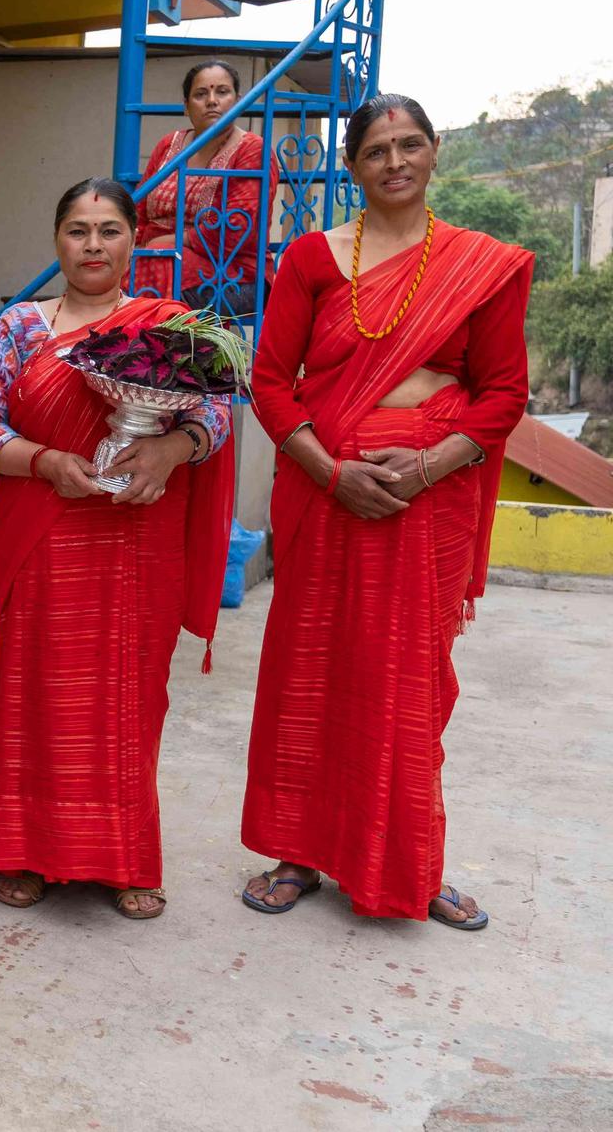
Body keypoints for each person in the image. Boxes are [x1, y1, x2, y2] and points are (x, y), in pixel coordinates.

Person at [240, 93, 533, 929]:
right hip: (327, 490)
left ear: (435, 152)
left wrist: (432, 464)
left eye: (410, 145)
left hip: (428, 499)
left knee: (407, 680)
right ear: (353, 166)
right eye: (376, 150)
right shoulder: (311, 259)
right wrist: (333, 474)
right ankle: (299, 850)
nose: (395, 161)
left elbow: (503, 392)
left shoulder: (479, 264)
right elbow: (269, 383)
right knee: (313, 667)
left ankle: (410, 860)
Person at [0, 178, 234, 919]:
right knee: (33, 696)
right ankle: (23, 852)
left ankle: (123, 856)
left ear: (133, 242)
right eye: (77, 230)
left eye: (108, 230)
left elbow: (216, 412)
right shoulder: (21, 327)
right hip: (44, 529)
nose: (92, 245)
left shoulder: (170, 325)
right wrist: (46, 462)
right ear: (57, 240)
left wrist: (171, 451)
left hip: (135, 534)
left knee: (126, 697)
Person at [133, 59, 281, 314]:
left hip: (236, 274)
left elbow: (239, 230)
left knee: (160, 258)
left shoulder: (252, 151)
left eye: (222, 92)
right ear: (186, 106)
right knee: (106, 261)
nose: (212, 100)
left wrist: (173, 241)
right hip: (155, 257)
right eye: (200, 94)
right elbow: (140, 209)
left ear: (238, 100)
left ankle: (154, 345)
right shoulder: (169, 145)